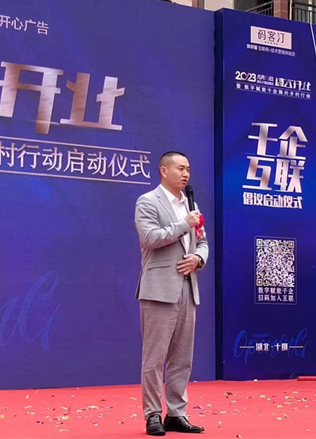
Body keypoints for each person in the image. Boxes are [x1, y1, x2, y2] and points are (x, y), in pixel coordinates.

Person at [134, 151, 209, 436]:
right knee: (154, 358)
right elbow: (150, 238)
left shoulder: (191, 204)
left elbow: (202, 242)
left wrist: (198, 259)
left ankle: (176, 413)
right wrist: (183, 224)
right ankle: (152, 414)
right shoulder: (147, 201)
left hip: (188, 287)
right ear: (163, 171)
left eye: (188, 169)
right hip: (158, 289)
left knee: (182, 357)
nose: (186, 173)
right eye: (180, 168)